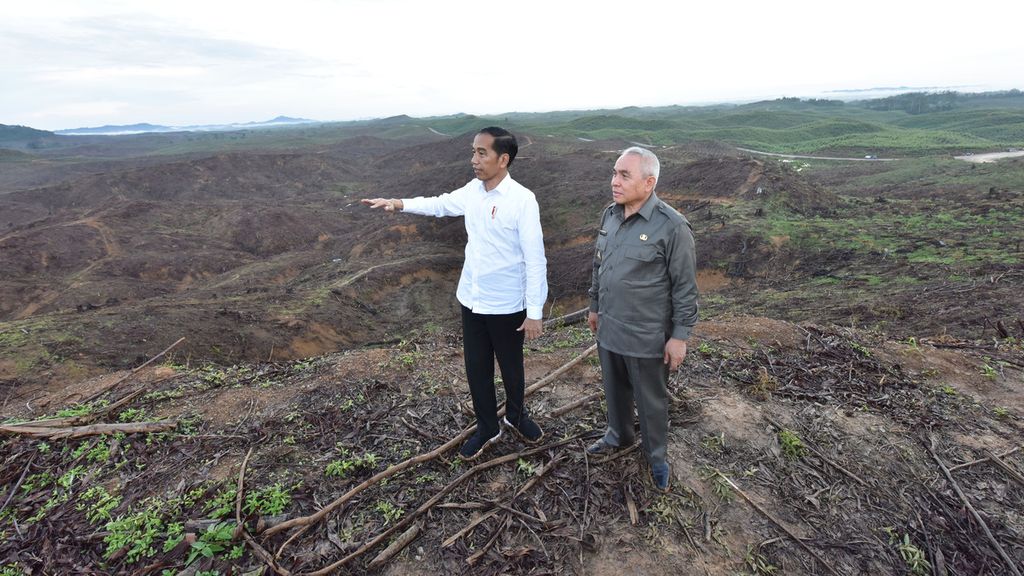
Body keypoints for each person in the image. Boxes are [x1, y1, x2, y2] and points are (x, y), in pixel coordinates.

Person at [362, 127, 548, 460]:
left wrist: (534, 311)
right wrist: (398, 203)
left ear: (503, 159)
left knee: (511, 366)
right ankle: (488, 426)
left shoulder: (522, 201)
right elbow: (440, 204)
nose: (473, 160)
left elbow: (535, 259)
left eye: (481, 153)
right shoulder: (473, 192)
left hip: (507, 303)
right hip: (472, 299)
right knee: (476, 367)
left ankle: (517, 415)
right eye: (473, 152)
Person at [586, 146, 698, 492]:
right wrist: (593, 305)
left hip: (647, 335)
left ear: (649, 183)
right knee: (615, 390)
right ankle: (618, 435)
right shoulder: (610, 216)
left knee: (651, 400)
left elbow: (685, 288)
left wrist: (679, 337)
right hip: (610, 327)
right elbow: (599, 264)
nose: (614, 182)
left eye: (624, 175)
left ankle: (656, 457)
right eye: (614, 173)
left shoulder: (672, 227)